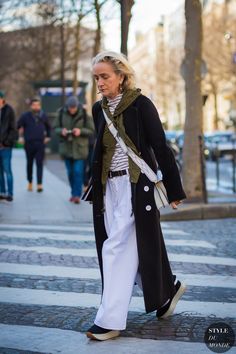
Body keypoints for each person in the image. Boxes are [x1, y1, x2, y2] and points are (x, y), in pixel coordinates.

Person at [85, 51, 187, 341]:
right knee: (132, 244)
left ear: (121, 76)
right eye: (96, 78)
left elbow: (160, 146)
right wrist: (92, 183)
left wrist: (175, 190)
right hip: (110, 189)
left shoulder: (142, 105)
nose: (100, 83)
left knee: (115, 248)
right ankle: (167, 290)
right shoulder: (98, 109)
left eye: (105, 76)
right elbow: (101, 151)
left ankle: (110, 320)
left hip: (137, 187)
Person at [53, 96, 94, 204]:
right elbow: (55, 127)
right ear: (67, 106)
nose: (72, 110)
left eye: (74, 108)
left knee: (78, 172)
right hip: (66, 148)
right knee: (70, 173)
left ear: (77, 106)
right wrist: (61, 131)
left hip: (80, 149)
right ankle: (73, 193)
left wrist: (80, 131)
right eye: (70, 108)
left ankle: (76, 195)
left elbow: (91, 130)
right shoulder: (61, 113)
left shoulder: (84, 114)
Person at [17, 97, 51, 192]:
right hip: (29, 143)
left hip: (40, 143)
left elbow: (49, 127)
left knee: (40, 164)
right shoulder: (25, 116)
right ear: (31, 106)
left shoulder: (43, 115)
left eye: (38, 105)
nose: (36, 107)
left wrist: (48, 136)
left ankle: (39, 184)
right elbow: (18, 126)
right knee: (29, 163)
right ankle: (30, 182)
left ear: (40, 106)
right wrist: (20, 137)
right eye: (34, 105)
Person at [0, 91, 18, 201]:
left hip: (5, 146)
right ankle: (2, 192)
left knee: (7, 170)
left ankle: (10, 193)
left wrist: (6, 142)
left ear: (2, 99)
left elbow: (13, 129)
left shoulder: (9, 110)